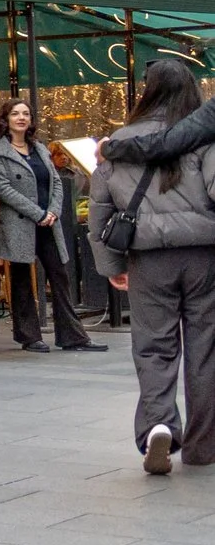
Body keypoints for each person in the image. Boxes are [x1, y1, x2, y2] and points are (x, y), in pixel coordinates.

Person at [88, 59, 215, 474]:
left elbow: (100, 212)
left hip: (147, 259)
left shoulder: (116, 142)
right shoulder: (205, 137)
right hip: (203, 256)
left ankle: (158, 426)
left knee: (153, 347)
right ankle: (202, 446)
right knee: (206, 349)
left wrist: (111, 266)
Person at [0, 100, 97, 353]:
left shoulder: (39, 148)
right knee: (21, 280)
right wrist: (37, 213)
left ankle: (72, 336)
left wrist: (53, 211)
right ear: (5, 119)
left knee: (60, 276)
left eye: (26, 114)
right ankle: (29, 336)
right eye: (15, 113)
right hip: (20, 224)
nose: (21, 118)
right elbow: (3, 189)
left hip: (48, 222)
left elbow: (56, 182)